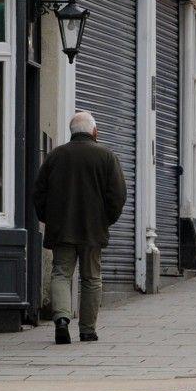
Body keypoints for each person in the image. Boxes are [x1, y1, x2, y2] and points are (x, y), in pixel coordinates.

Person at [32, 111, 127, 345]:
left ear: (72, 132)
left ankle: (62, 320)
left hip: (62, 229)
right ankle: (87, 330)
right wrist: (106, 220)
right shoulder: (106, 157)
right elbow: (118, 195)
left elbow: (38, 193)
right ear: (94, 131)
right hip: (93, 230)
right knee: (91, 278)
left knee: (61, 274)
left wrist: (49, 218)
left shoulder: (55, 156)